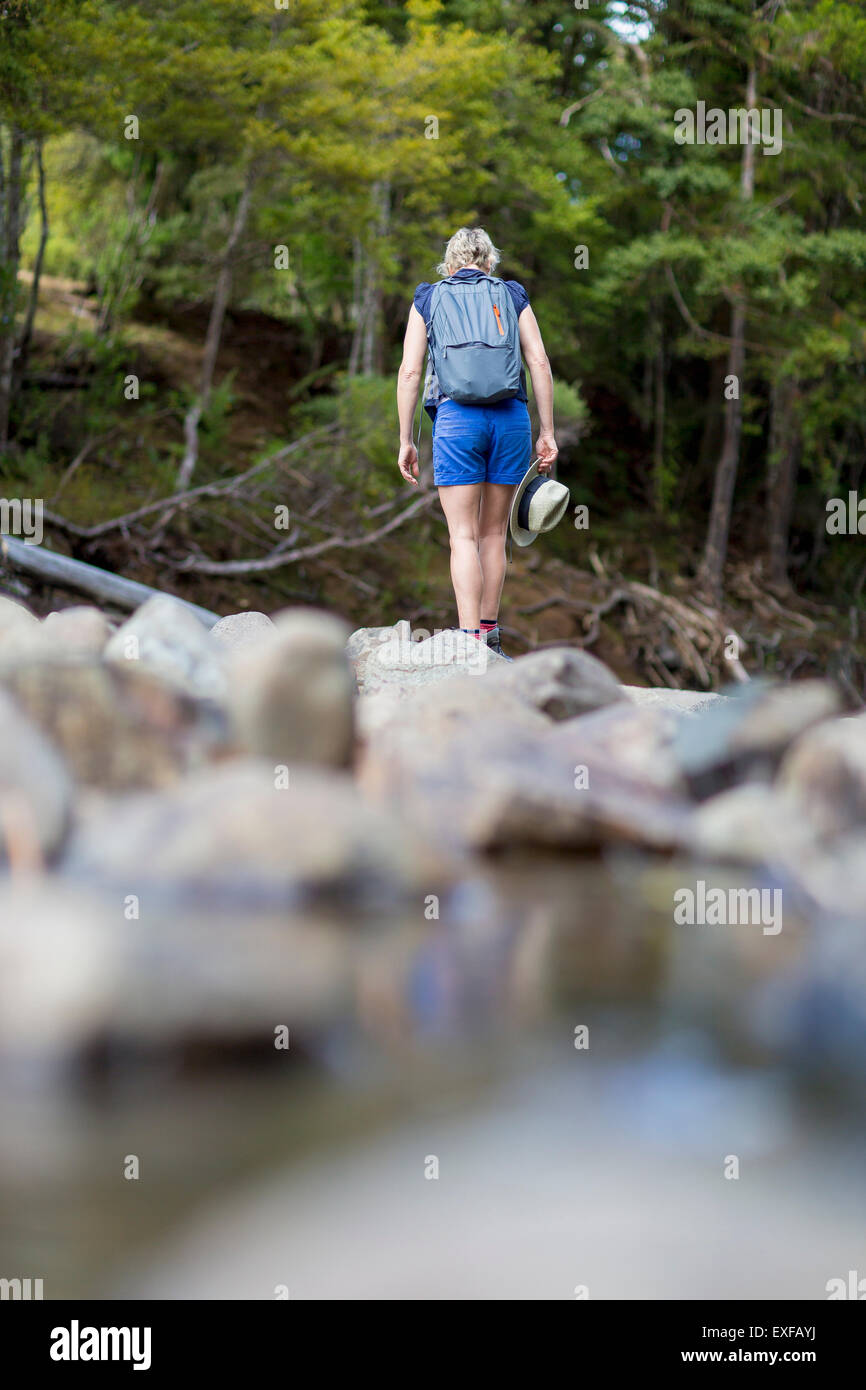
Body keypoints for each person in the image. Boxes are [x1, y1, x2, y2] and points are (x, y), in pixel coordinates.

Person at [396, 226, 558, 658]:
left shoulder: (428, 297)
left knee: (462, 537)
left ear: (450, 265)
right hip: (510, 420)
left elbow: (410, 372)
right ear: (490, 262)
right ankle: (490, 634)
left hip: (456, 422)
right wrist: (547, 431)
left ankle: (469, 643)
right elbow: (538, 360)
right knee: (492, 535)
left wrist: (405, 439)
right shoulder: (512, 294)